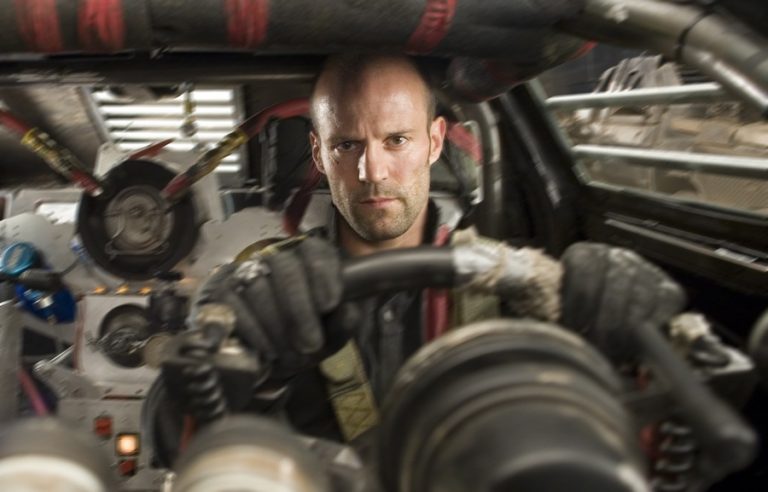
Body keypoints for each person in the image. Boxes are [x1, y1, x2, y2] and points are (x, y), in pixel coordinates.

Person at [197, 53, 685, 442]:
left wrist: (623, 321)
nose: (372, 171)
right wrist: (235, 352)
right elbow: (176, 437)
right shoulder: (270, 296)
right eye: (347, 145)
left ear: (434, 142)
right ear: (319, 154)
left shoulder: (512, 289)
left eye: (396, 140)